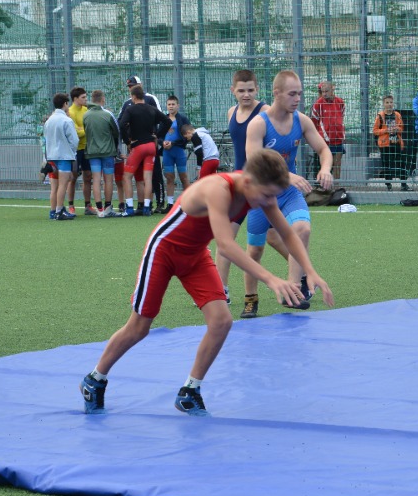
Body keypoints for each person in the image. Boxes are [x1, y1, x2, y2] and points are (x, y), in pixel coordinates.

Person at [78, 148, 335, 417]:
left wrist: (310, 271)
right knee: (139, 327)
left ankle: (190, 391)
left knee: (221, 321)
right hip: (164, 251)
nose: (270, 202)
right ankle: (95, 379)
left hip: (195, 255)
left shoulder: (259, 191)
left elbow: (288, 233)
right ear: (248, 182)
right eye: (267, 195)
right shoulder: (218, 189)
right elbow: (225, 246)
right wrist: (271, 279)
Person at [241, 70, 333, 319]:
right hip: (262, 195)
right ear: (277, 94)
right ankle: (251, 298)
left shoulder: (302, 121)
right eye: (292, 94)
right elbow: (254, 162)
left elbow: (324, 149)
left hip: (288, 194)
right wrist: (287, 175)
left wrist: (325, 168)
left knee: (302, 229)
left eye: (299, 94)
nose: (297, 99)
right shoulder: (259, 124)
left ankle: (294, 289)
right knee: (255, 251)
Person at [216, 70, 280, 304]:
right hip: (237, 186)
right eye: (241, 90)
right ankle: (220, 290)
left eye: (250, 90)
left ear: (257, 89)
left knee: (273, 238)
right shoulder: (231, 112)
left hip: (259, 186)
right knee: (225, 238)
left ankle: (301, 274)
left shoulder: (265, 112)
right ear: (232, 91)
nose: (246, 94)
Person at [119, 84, 173, 216]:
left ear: (133, 97)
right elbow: (168, 121)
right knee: (147, 178)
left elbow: (122, 125)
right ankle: (147, 208)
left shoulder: (130, 109)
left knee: (127, 176)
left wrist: (128, 142)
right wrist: (157, 135)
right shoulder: (151, 109)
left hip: (138, 145)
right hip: (151, 146)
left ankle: (129, 208)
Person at [82, 90, 121, 217]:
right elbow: (117, 131)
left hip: (92, 152)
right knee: (108, 180)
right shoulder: (107, 114)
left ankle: (99, 210)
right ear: (103, 99)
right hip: (108, 152)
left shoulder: (86, 115)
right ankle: (108, 207)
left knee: (96, 179)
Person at [43, 93, 79, 220]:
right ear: (65, 104)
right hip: (64, 156)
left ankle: (54, 211)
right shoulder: (66, 120)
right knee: (63, 184)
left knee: (54, 186)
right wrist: (72, 151)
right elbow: (74, 140)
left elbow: (46, 139)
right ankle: (59, 210)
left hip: (51, 156)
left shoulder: (49, 121)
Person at [67, 86, 95, 215]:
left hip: (87, 148)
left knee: (88, 176)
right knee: (72, 177)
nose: (86, 99)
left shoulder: (86, 110)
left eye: (86, 97)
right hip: (75, 150)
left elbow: (86, 129)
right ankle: (71, 206)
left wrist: (82, 129)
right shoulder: (70, 112)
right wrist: (85, 130)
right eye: (83, 97)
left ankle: (88, 206)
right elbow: (76, 133)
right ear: (75, 99)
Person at [310, 81, 346, 181]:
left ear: (332, 89)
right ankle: (324, 186)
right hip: (325, 140)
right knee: (326, 166)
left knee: (337, 165)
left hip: (338, 138)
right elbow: (314, 121)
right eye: (323, 91)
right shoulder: (318, 104)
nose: (324, 94)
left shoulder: (340, 102)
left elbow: (342, 115)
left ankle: (336, 186)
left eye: (326, 91)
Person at [161, 95, 192, 209]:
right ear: (166, 106)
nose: (171, 106)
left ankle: (188, 202)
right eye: (169, 104)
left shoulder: (183, 119)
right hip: (167, 153)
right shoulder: (163, 119)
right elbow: (158, 135)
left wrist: (173, 143)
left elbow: (188, 136)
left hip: (179, 152)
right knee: (169, 177)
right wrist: (162, 143)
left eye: (173, 104)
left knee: (183, 177)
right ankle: (170, 204)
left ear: (178, 106)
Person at [373, 94, 407, 190]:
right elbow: (375, 130)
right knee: (387, 164)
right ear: (383, 104)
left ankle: (403, 184)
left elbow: (401, 128)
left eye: (391, 102)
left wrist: (397, 129)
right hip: (385, 144)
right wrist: (386, 130)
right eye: (387, 102)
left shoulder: (397, 115)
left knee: (401, 163)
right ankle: (388, 184)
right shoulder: (380, 116)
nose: (389, 104)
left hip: (396, 142)